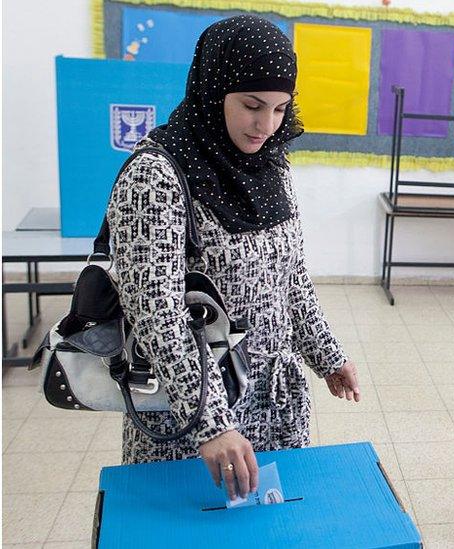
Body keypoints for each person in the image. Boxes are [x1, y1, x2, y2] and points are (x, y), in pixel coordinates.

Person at [106, 15, 360, 500]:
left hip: (270, 400)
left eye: (281, 108)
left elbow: (291, 276)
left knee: (270, 528)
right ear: (213, 88)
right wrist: (211, 424)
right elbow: (155, 313)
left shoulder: (271, 162)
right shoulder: (155, 175)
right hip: (193, 415)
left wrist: (326, 354)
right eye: (251, 106)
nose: (267, 125)